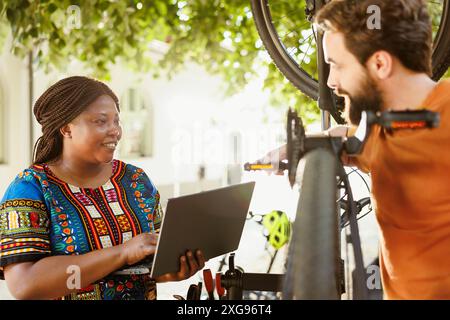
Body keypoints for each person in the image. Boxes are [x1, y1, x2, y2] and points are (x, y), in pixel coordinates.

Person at [265, 0, 450, 299]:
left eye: (336, 65)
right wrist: (297, 146)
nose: (330, 82)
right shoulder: (384, 128)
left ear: (380, 64)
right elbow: (345, 137)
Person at [0, 76, 205, 300]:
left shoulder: (136, 180)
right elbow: (26, 286)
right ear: (66, 128)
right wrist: (122, 253)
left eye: (117, 121)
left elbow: (149, 265)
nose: (115, 130)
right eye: (101, 121)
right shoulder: (31, 188)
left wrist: (171, 271)